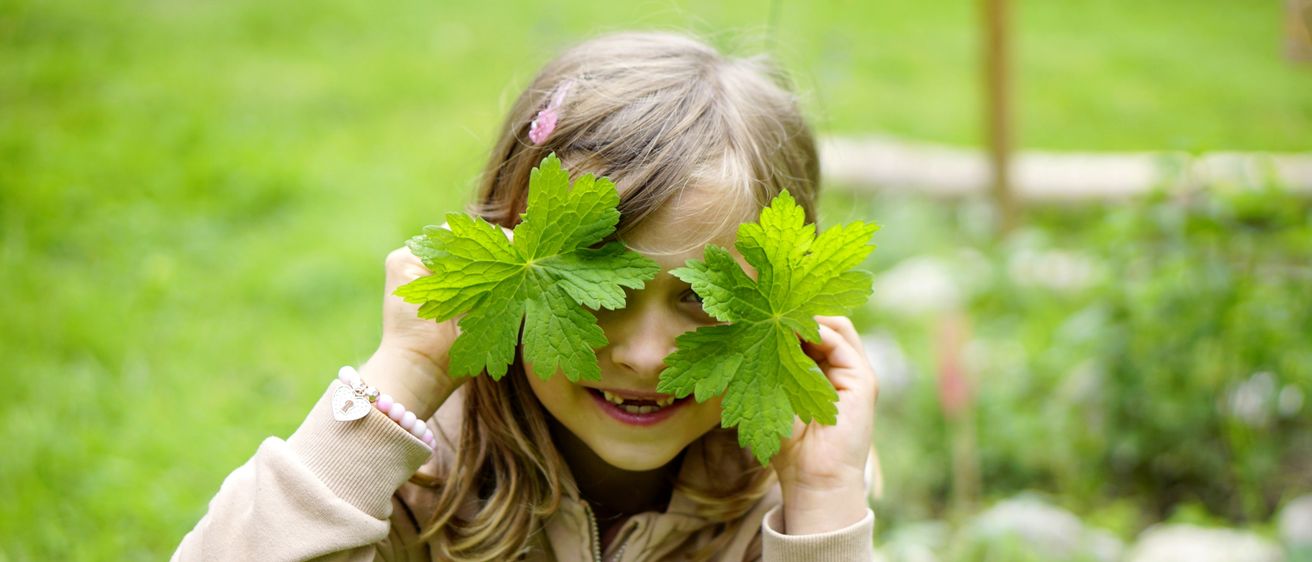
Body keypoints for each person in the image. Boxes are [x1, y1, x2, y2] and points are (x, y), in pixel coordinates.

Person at [174, 31, 880, 561]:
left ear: (785, 307)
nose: (642, 355)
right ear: (511, 267)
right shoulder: (417, 474)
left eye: (705, 299)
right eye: (598, 286)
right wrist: (407, 375)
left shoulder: (788, 494)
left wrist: (822, 496)